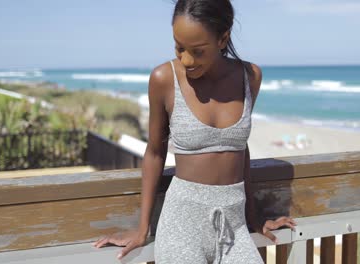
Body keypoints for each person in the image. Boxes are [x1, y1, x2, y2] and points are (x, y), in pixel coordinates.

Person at [93, 0, 297, 263]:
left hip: (233, 226)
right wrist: (142, 229)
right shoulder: (163, 79)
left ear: (223, 39)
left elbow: (238, 149)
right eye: (179, 48)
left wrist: (253, 218)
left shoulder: (250, 76)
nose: (187, 60)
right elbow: (155, 152)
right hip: (182, 225)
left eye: (198, 51)